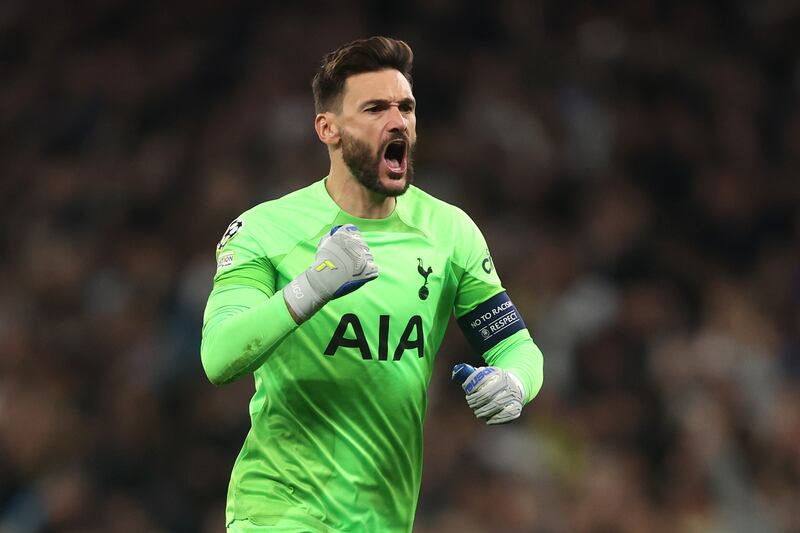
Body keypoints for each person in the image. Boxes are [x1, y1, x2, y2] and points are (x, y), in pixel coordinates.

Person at [201, 36, 544, 532]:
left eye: (405, 107)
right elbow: (218, 357)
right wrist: (314, 286)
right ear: (329, 129)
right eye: (375, 108)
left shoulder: (449, 232)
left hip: (384, 518)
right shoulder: (266, 229)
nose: (397, 120)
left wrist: (514, 382)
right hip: (279, 510)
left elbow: (516, 346)